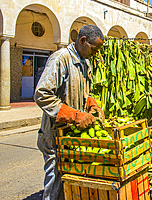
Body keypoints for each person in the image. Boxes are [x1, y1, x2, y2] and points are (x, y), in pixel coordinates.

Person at [34, 25, 105, 200]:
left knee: (70, 184)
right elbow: (42, 95)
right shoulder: (60, 59)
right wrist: (74, 115)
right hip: (54, 135)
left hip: (71, 135)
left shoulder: (84, 62)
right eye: (94, 49)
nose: (96, 53)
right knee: (56, 183)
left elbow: (84, 92)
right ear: (83, 41)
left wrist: (91, 104)